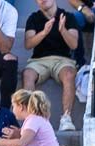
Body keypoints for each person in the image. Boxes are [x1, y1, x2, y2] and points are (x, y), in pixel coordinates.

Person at [22, 0, 78, 131]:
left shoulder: (68, 17)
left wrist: (63, 30)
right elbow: (28, 44)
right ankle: (30, 119)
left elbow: (74, 45)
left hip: (63, 60)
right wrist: (44, 32)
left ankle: (66, 118)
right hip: (39, 60)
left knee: (70, 73)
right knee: (27, 74)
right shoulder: (33, 18)